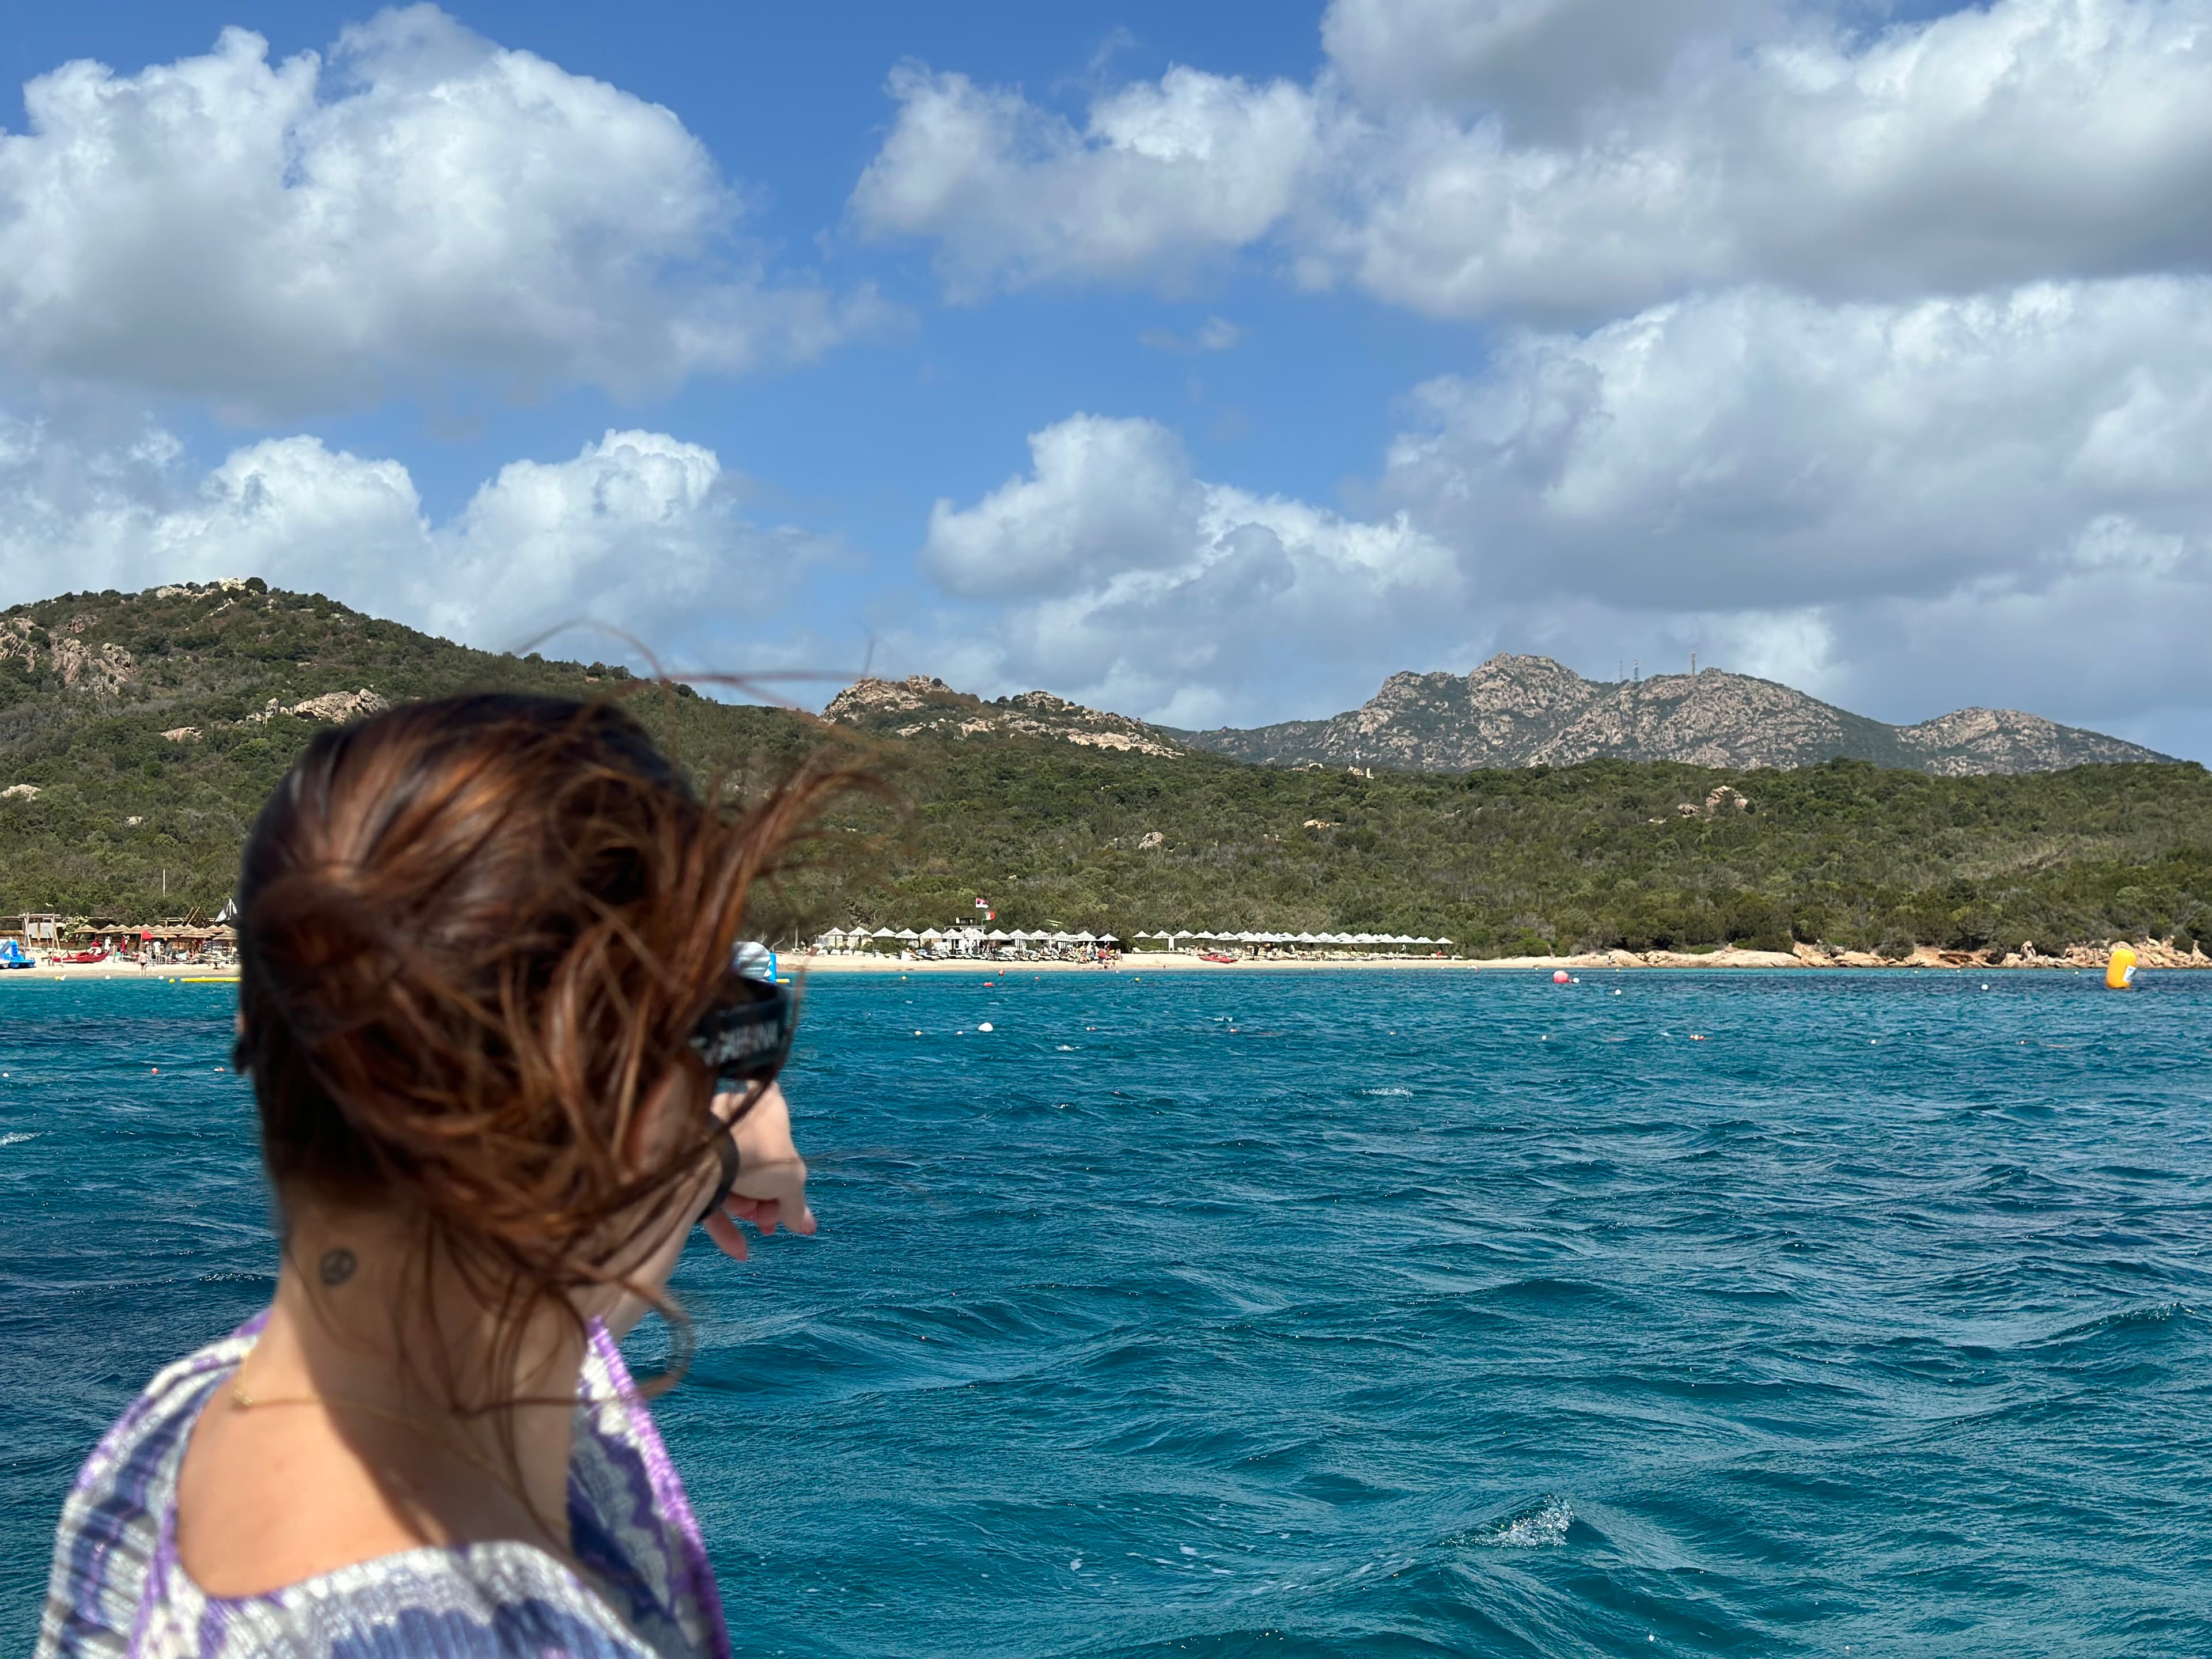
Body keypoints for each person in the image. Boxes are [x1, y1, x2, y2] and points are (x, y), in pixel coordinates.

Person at [39, 694, 856, 1658]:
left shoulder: (177, 1431)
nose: (746, 1079)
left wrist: (712, 1140)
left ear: (259, 1034)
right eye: (736, 1028)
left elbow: (554, 1266)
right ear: (623, 1113)